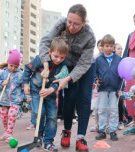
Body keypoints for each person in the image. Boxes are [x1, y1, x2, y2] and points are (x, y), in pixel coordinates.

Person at [39, 4, 96, 152]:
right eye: (70, 22)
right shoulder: (61, 24)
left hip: (86, 67)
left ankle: (80, 137)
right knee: (70, 97)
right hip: (66, 64)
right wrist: (46, 64)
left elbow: (84, 63)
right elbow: (45, 42)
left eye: (76, 24)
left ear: (83, 23)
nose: (71, 26)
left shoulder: (89, 36)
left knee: (84, 98)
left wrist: (68, 78)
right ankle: (67, 131)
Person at [23, 36, 69, 152]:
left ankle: (48, 142)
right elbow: (27, 69)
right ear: (50, 52)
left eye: (62, 57)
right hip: (36, 91)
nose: (58, 59)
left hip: (51, 94)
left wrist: (51, 90)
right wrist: (25, 84)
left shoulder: (62, 66)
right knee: (40, 112)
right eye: (56, 56)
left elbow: (56, 81)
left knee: (52, 117)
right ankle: (38, 136)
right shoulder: (40, 59)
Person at [94, 34, 122, 141]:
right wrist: (96, 80)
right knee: (102, 110)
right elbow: (95, 73)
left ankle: (113, 131)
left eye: (111, 46)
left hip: (115, 89)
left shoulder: (118, 59)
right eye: (106, 45)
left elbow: (122, 75)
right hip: (102, 88)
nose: (109, 48)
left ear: (113, 47)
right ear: (102, 46)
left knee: (114, 110)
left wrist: (120, 88)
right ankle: (102, 130)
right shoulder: (98, 59)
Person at [0, 49, 24, 142]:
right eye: (11, 65)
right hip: (3, 100)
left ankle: (9, 133)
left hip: (15, 100)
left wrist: (26, 97)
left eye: (16, 66)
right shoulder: (2, 72)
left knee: (12, 115)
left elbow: (24, 87)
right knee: (4, 117)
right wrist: (2, 83)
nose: (13, 68)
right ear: (8, 62)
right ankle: (6, 132)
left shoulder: (21, 74)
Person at [90, 39, 103, 132]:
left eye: (104, 45)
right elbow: (93, 71)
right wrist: (94, 81)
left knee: (105, 108)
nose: (102, 47)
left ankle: (105, 125)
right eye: (100, 45)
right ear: (97, 47)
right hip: (96, 85)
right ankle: (96, 124)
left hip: (106, 87)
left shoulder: (108, 57)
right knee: (97, 107)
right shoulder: (95, 57)